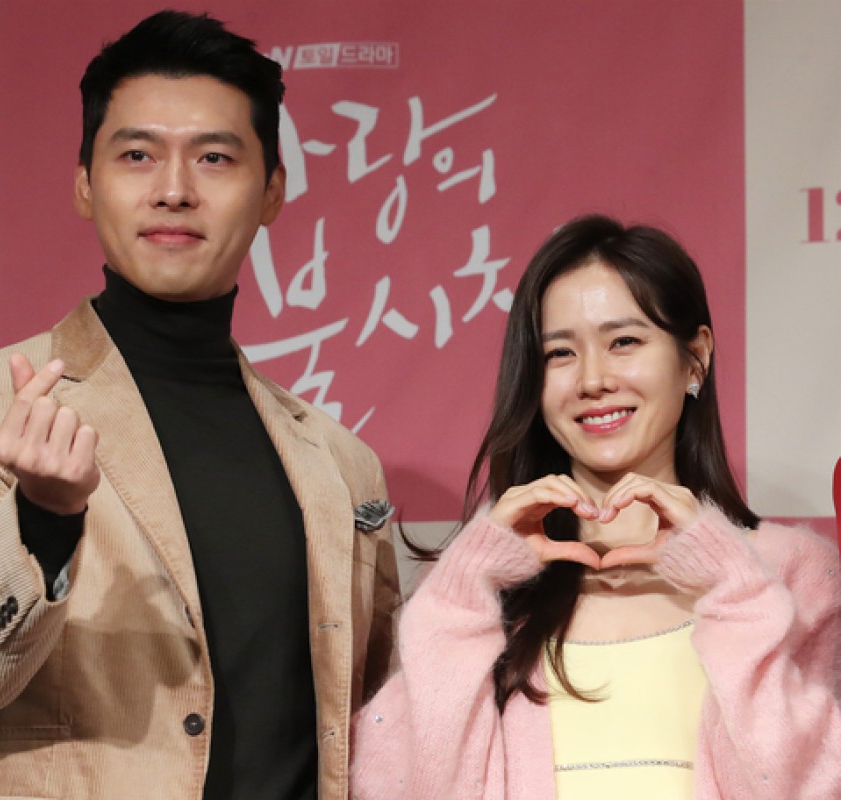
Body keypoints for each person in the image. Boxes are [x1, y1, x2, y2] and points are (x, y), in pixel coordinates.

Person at [0, 11, 399, 800]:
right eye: (136, 155)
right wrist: (42, 519)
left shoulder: (341, 461)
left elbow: (380, 716)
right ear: (85, 184)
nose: (174, 190)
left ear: (271, 191)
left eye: (214, 157)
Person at [350, 214, 840, 799]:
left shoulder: (790, 575)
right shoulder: (477, 595)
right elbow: (402, 787)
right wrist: (463, 589)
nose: (592, 379)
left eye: (623, 342)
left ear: (695, 358)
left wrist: (731, 581)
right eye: (560, 353)